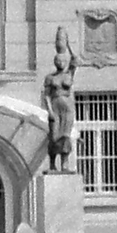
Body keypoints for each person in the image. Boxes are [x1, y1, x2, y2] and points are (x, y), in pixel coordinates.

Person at [41, 27, 78, 173]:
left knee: (65, 135)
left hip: (68, 107)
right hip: (55, 106)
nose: (60, 62)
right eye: (58, 60)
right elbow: (46, 95)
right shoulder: (50, 78)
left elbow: (76, 60)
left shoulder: (69, 74)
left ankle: (64, 164)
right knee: (54, 135)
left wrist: (68, 45)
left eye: (63, 60)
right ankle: (52, 164)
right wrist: (49, 110)